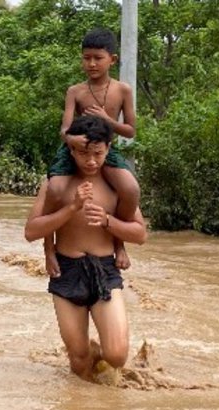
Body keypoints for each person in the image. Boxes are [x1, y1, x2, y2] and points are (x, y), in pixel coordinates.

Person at [25, 115, 147, 383]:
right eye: (83, 153)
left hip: (104, 269)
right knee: (79, 361)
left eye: (98, 154)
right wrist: (71, 208)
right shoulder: (56, 183)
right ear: (71, 149)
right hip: (66, 271)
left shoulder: (116, 185)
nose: (91, 161)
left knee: (116, 355)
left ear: (108, 149)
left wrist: (107, 221)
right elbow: (31, 231)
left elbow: (140, 233)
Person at [44, 27, 139, 278]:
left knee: (130, 189)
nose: (92, 63)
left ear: (112, 60)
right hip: (74, 150)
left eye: (98, 58)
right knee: (54, 190)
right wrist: (72, 139)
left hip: (104, 150)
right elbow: (64, 129)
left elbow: (130, 131)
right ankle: (49, 249)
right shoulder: (75, 91)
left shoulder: (123, 90)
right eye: (87, 58)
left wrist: (108, 120)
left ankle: (119, 244)